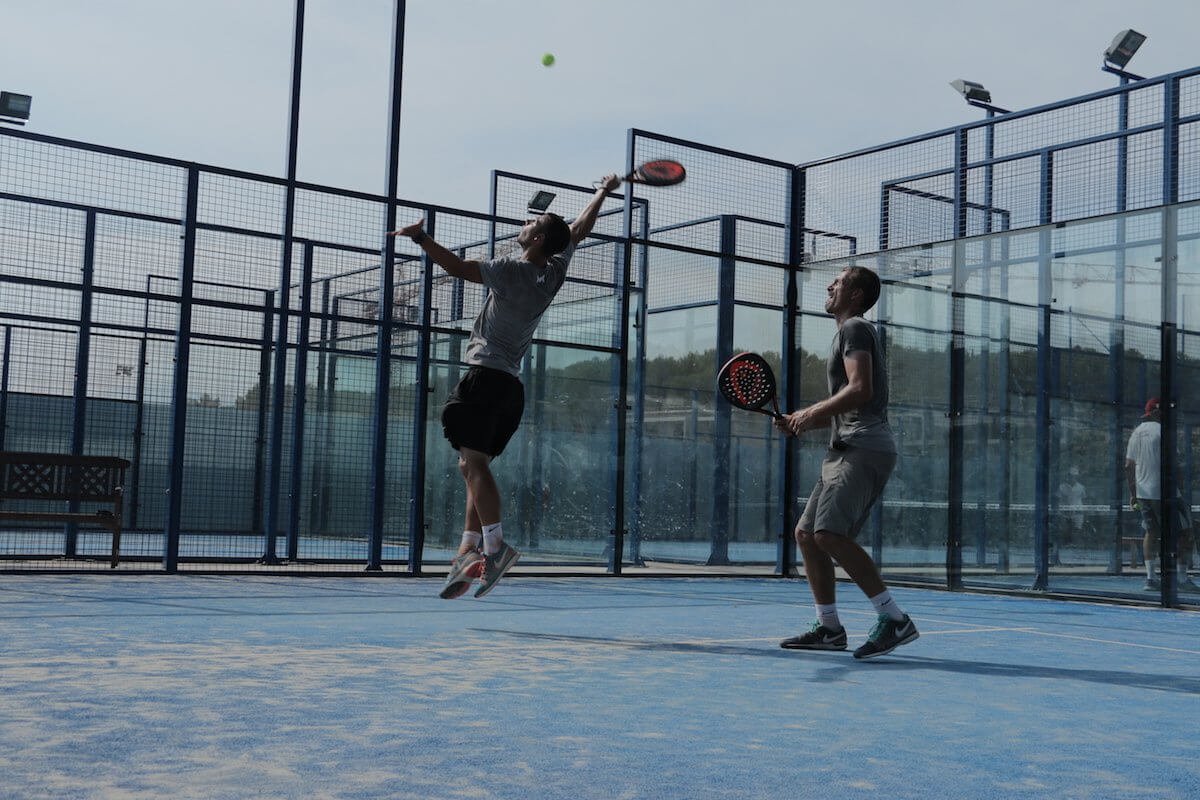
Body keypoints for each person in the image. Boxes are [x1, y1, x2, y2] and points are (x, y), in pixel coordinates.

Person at [388, 173, 622, 599]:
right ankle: (468, 550)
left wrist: (422, 237)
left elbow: (457, 268)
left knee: (472, 466)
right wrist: (602, 193)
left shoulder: (509, 271)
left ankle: (494, 549)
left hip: (484, 380)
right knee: (471, 467)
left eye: (533, 222)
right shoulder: (553, 271)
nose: (525, 223)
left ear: (535, 240)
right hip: (509, 388)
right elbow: (580, 229)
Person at [775, 266, 918, 659]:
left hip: (864, 447)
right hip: (845, 446)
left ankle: (894, 619)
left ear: (855, 295)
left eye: (838, 282)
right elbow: (851, 401)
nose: (829, 285)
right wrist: (800, 420)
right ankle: (829, 627)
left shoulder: (855, 328)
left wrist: (808, 414)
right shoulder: (847, 332)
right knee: (807, 534)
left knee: (829, 534)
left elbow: (861, 389)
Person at [1124, 397, 1197, 592]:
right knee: (1185, 533)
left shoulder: (1136, 433)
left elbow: (1128, 466)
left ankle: (1150, 579)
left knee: (1151, 532)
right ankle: (1181, 579)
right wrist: (1179, 489)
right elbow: (1175, 466)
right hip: (1167, 493)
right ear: (1157, 412)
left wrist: (1133, 494)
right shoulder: (1164, 432)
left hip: (1143, 493)